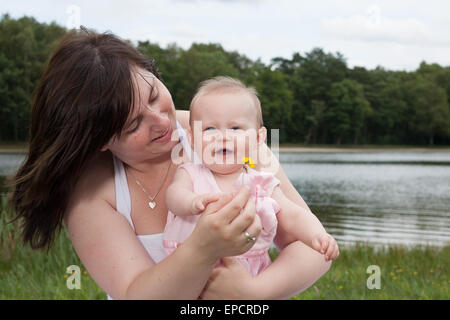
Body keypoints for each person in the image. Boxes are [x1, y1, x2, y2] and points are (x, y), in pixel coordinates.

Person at [11, 28, 334, 300]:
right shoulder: (92, 192)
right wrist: (203, 248)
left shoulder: (225, 135)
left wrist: (255, 291)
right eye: (134, 124)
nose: (161, 121)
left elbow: (313, 245)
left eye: (153, 95)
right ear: (100, 139)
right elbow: (134, 292)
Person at [163, 76, 339, 277]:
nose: (223, 136)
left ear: (257, 138)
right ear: (193, 139)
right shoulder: (190, 173)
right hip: (191, 270)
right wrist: (192, 202)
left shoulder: (262, 182)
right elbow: (173, 196)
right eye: (210, 128)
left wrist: (318, 235)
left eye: (235, 128)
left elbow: (293, 214)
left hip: (248, 272)